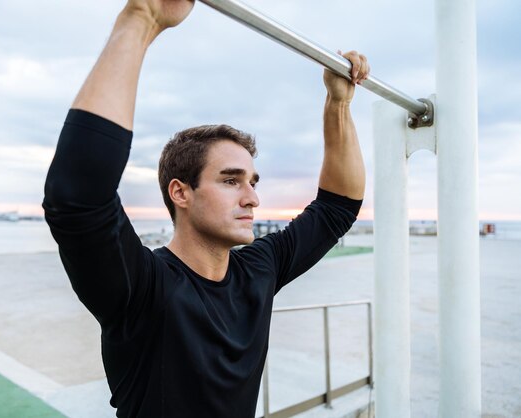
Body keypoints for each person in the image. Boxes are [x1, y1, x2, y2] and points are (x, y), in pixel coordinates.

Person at [43, 1, 369, 417]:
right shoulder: (141, 288)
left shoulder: (259, 270)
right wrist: (141, 18)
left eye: (252, 182)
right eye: (231, 181)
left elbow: (337, 209)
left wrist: (338, 104)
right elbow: (77, 197)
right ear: (180, 192)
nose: (251, 197)